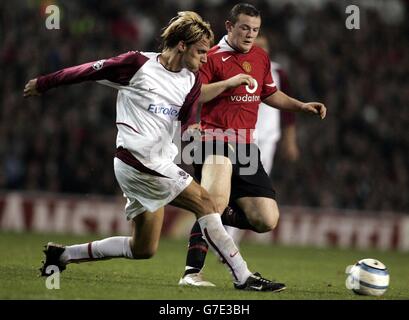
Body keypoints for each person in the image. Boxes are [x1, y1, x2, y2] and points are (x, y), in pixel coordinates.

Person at [24, 11, 285, 292]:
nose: (205, 58)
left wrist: (192, 131)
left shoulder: (191, 81)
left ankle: (62, 255)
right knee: (207, 204)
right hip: (137, 159)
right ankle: (243, 277)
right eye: (200, 51)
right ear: (182, 46)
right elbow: (86, 71)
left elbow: (186, 123)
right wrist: (44, 83)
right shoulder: (137, 64)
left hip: (154, 163)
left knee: (143, 247)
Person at [178, 4, 326, 287]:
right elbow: (195, 95)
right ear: (229, 26)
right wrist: (230, 82)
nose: (250, 34)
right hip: (214, 139)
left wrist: (301, 106)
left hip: (246, 147)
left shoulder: (260, 57)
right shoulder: (210, 57)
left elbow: (269, 93)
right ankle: (192, 272)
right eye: (244, 27)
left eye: (255, 29)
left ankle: (213, 208)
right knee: (213, 204)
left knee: (266, 220)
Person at [224, 33, 300, 243]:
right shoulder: (234, 67)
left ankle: (231, 238)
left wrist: (290, 139)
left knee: (255, 188)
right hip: (240, 135)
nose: (262, 49)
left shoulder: (277, 72)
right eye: (258, 46)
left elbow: (287, 110)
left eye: (265, 46)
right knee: (232, 182)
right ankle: (222, 230)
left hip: (267, 138)